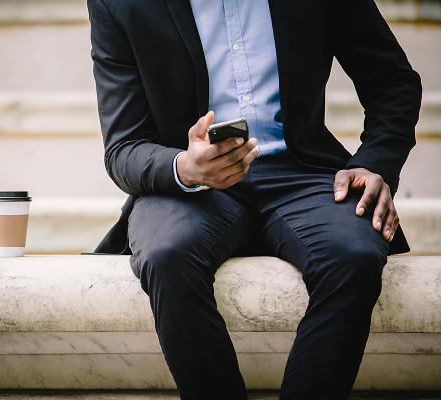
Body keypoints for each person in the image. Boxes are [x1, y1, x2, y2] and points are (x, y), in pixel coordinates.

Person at [87, 0, 421, 398]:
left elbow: (392, 81)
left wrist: (375, 163)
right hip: (191, 185)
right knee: (166, 254)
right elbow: (124, 146)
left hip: (302, 172)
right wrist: (186, 167)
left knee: (355, 253)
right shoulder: (119, 4)